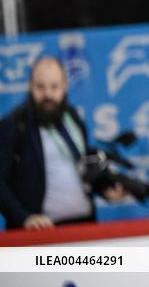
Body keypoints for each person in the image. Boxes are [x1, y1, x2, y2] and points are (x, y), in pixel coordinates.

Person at [0, 57, 126, 229]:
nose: (48, 95)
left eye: (54, 87)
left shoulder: (72, 117)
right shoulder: (14, 124)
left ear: (65, 86)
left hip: (84, 227)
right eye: (40, 87)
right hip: (40, 234)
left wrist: (105, 189)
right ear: (30, 86)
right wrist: (24, 218)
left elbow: (82, 166)